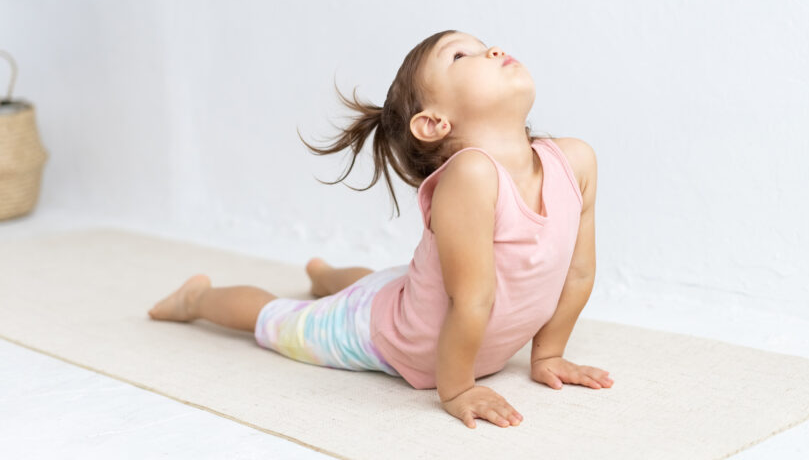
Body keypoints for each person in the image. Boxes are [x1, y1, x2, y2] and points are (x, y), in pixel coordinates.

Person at [147, 29, 613, 430]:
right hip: (389, 334)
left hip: (410, 296)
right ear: (433, 122)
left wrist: (547, 356)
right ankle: (198, 298)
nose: (490, 50)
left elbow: (577, 275)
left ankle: (324, 274)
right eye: (459, 55)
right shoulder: (472, 175)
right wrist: (455, 391)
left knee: (388, 285)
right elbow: (470, 298)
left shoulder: (574, 161)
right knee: (283, 322)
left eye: (483, 44)